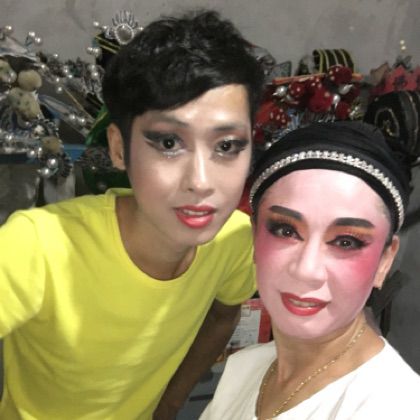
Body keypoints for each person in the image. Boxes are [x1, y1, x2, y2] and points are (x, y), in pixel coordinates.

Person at [0, 10, 265, 420]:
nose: (201, 182)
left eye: (227, 146)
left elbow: (224, 315)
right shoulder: (38, 246)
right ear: (119, 149)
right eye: (169, 143)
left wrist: (171, 403)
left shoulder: (234, 239)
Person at [200, 121, 420, 420]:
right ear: (255, 237)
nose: (307, 270)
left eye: (346, 241)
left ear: (384, 260)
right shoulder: (245, 368)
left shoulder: (394, 407)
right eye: (286, 230)